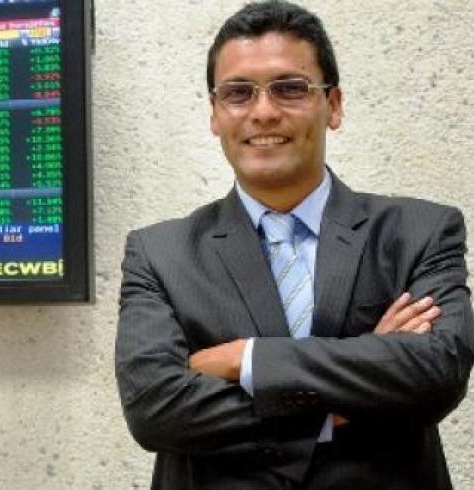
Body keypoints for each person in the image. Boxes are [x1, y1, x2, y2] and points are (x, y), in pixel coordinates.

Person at [114, 1, 474, 488]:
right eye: (238, 93)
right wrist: (362, 371)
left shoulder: (420, 232)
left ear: (334, 105)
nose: (263, 112)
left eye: (290, 88)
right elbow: (154, 409)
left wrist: (245, 360)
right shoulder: (160, 254)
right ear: (215, 114)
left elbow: (436, 372)